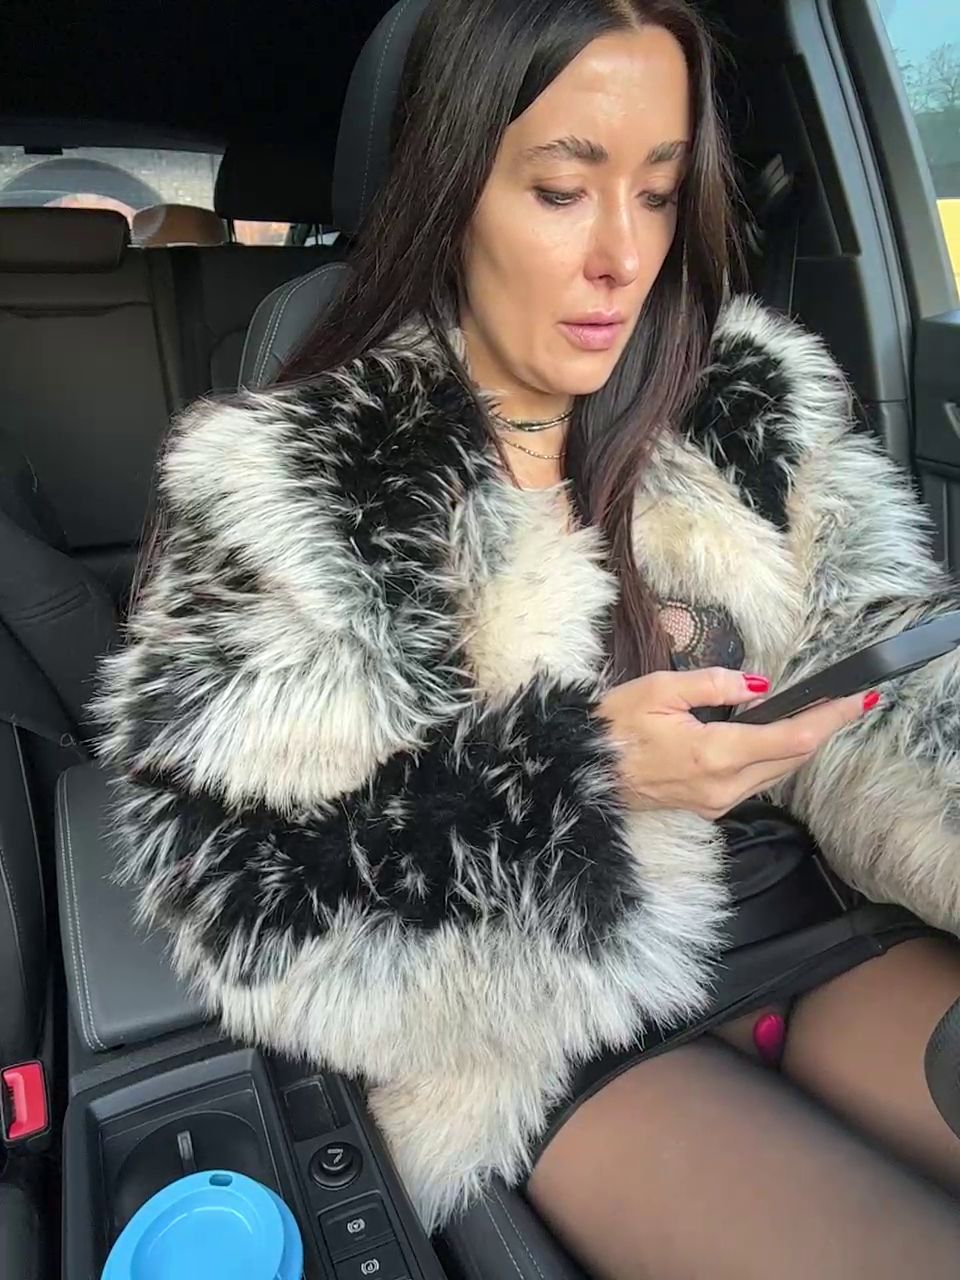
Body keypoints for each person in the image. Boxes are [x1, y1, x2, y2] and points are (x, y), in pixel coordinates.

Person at [95, 0, 960, 1274]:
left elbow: (892, 666)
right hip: (537, 1028)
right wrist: (579, 780)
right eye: (562, 191)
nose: (624, 254)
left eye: (657, 194)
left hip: (812, 916)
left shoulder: (737, 402)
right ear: (454, 190)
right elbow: (242, 896)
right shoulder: (312, 484)